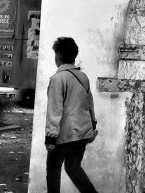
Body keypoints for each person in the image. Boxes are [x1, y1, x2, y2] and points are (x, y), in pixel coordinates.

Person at [45, 36, 99, 193]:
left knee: (53, 170)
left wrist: (50, 137)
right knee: (73, 167)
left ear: (59, 56)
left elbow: (54, 110)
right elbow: (89, 104)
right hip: (82, 132)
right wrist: (93, 125)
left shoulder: (57, 79)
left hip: (63, 135)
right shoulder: (83, 77)